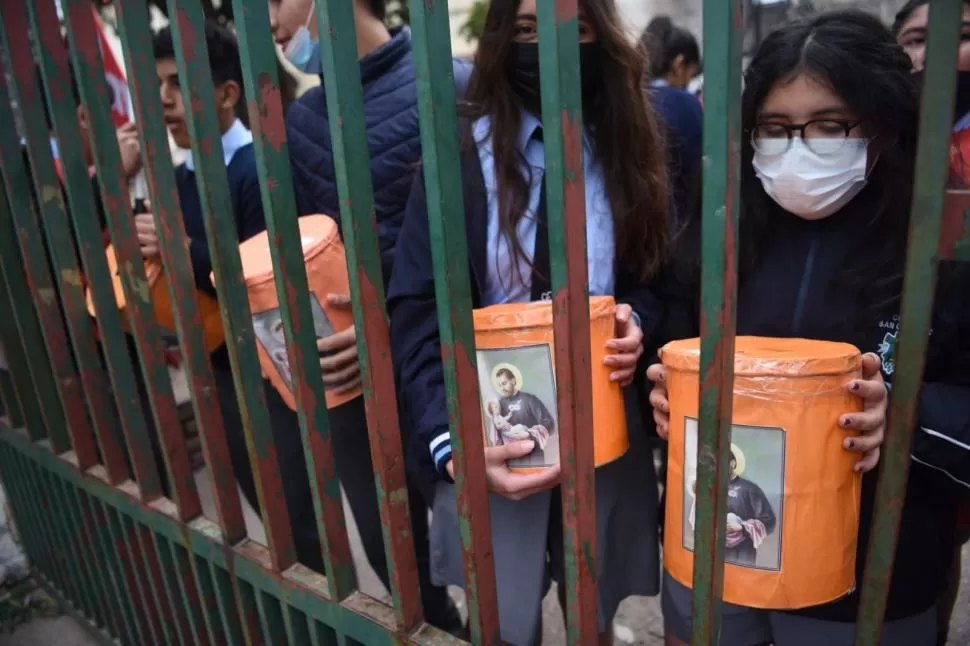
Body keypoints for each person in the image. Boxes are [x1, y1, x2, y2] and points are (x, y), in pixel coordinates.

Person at [646, 11, 970, 645]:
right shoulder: (719, 232)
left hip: (874, 572)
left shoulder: (940, 244)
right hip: (715, 553)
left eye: (829, 126)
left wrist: (906, 416)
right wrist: (658, 386)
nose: (798, 148)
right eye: (775, 128)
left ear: (882, 126)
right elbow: (669, 331)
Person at [387, 0, 669, 642]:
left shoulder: (631, 147)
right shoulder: (461, 152)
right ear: (497, 41)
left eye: (574, 26)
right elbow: (418, 305)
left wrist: (637, 322)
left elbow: (660, 281)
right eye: (523, 28)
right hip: (491, 431)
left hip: (603, 426)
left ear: (602, 38)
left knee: (593, 609)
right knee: (505, 622)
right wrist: (450, 441)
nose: (546, 44)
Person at [274, 0, 470, 634]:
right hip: (351, 386)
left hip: (454, 371)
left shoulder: (452, 83)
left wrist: (386, 331)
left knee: (493, 553)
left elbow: (492, 255)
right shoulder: (301, 121)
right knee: (398, 560)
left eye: (277, 0)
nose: (269, 19)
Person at [138, 21, 330, 577]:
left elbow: (261, 285)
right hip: (218, 368)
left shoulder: (256, 170)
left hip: (272, 378)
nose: (166, 100)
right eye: (158, 86)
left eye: (178, 83)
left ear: (227, 94)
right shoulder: (179, 178)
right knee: (269, 522)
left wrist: (184, 250)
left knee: (301, 523)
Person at [640, 16, 703, 229]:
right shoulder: (684, 103)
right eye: (691, 75)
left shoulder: (627, 97)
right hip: (675, 232)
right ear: (679, 64)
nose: (688, 84)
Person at [486, 366, 555, 465]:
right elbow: (497, 435)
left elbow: (549, 423)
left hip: (533, 456)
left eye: (504, 383)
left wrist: (530, 434)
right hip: (511, 460)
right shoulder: (498, 405)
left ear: (513, 381)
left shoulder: (530, 399)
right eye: (499, 385)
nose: (502, 388)